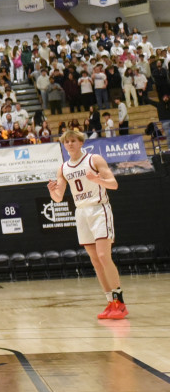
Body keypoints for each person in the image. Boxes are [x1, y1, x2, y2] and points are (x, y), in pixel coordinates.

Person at [48, 129, 126, 319]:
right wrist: (52, 191)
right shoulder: (64, 168)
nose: (70, 144)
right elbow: (58, 198)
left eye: (73, 141)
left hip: (99, 209)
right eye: (66, 142)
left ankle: (120, 302)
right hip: (81, 211)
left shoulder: (94, 159)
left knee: (103, 255)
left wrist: (97, 179)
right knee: (95, 260)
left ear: (81, 142)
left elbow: (113, 184)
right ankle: (110, 302)